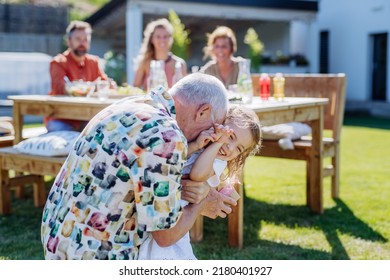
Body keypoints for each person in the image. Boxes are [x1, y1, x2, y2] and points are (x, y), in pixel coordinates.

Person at [40, 73, 237, 260]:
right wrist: (202, 199)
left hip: (58, 239)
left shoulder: (132, 104)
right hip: (95, 254)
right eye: (212, 128)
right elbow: (165, 236)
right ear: (203, 112)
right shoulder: (167, 137)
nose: (211, 137)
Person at [138, 104, 262, 260]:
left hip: (177, 215)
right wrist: (196, 145)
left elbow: (197, 175)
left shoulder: (217, 162)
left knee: (167, 254)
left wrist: (217, 143)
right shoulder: (201, 145)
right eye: (230, 136)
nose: (230, 148)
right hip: (161, 203)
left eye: (238, 149)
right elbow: (176, 157)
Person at [46, 20, 111, 132]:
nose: (82, 43)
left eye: (85, 39)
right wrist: (93, 86)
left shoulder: (93, 62)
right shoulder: (58, 62)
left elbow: (105, 84)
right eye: (78, 39)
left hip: (87, 118)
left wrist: (106, 84)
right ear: (69, 41)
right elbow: (59, 90)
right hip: (62, 119)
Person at [133, 18, 187, 90]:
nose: (162, 40)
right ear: (152, 39)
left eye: (165, 36)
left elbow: (184, 91)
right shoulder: (144, 62)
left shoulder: (179, 64)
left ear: (171, 39)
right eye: (158, 37)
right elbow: (135, 88)